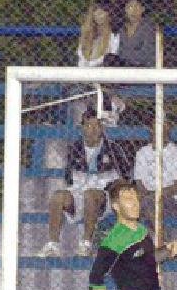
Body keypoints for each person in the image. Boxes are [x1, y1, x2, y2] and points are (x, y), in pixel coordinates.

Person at [37, 109, 131, 258]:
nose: (92, 130)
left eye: (96, 126)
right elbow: (69, 179)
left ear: (102, 128)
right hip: (79, 192)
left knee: (90, 195)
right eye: (88, 126)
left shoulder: (113, 149)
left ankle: (86, 243)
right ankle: (53, 244)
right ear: (82, 128)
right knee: (58, 196)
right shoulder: (75, 148)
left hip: (102, 196)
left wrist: (114, 191)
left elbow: (125, 178)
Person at [132, 120, 177, 241]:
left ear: (168, 129)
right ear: (150, 130)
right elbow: (139, 184)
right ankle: (162, 240)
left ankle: (160, 240)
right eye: (155, 127)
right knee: (138, 203)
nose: (159, 131)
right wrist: (149, 195)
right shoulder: (142, 153)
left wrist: (155, 195)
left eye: (163, 127)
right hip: (146, 197)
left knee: (147, 203)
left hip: (170, 200)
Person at [77, 0, 120, 68]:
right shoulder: (86, 35)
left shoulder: (114, 37)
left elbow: (111, 60)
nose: (98, 13)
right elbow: (81, 60)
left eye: (103, 10)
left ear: (110, 14)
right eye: (95, 10)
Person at [117, 0, 157, 68]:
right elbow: (120, 51)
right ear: (125, 9)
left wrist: (125, 59)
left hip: (144, 68)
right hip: (125, 67)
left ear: (143, 9)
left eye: (137, 6)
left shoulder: (149, 27)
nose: (133, 11)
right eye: (130, 7)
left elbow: (146, 54)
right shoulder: (122, 29)